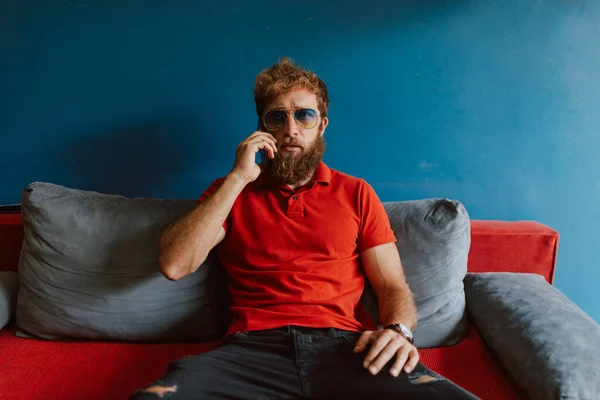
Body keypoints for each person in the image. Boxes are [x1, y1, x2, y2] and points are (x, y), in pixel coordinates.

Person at [131, 57, 478, 400]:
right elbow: (175, 265)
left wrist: (399, 331)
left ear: (322, 125)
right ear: (262, 128)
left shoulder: (356, 192)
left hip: (346, 348)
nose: (290, 129)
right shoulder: (230, 192)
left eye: (304, 115)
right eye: (277, 117)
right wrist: (238, 178)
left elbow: (391, 284)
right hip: (251, 351)